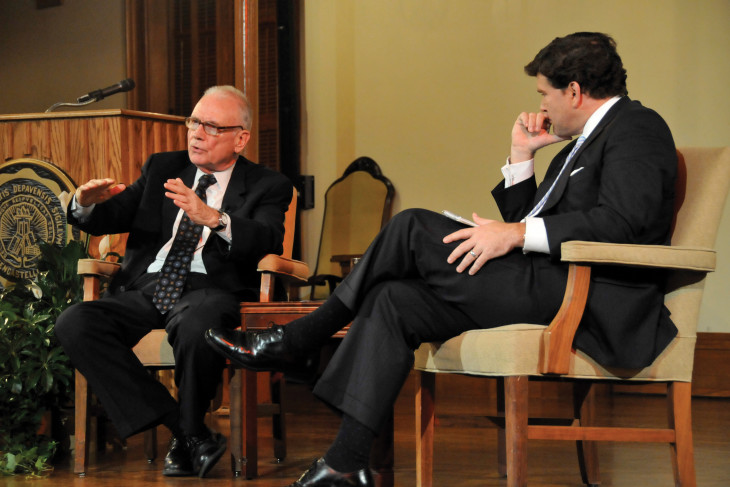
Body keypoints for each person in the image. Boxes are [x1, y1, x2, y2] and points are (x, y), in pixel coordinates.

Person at [206, 32, 678, 487]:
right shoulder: (578, 145)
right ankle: (347, 462)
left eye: (545, 94)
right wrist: (520, 158)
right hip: (547, 281)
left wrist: (512, 233)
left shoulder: (637, 128)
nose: (541, 107)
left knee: (411, 225)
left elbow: (622, 221)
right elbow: (533, 224)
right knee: (393, 299)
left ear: (574, 91)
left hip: (590, 297)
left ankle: (300, 337)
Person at [55, 85, 293, 478]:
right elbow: (113, 214)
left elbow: (267, 239)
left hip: (211, 289)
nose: (196, 133)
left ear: (241, 138)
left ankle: (186, 435)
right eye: (194, 121)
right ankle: (186, 431)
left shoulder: (268, 185)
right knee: (75, 322)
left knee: (198, 323)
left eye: (211, 126)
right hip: (149, 286)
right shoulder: (162, 167)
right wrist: (85, 203)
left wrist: (214, 218)